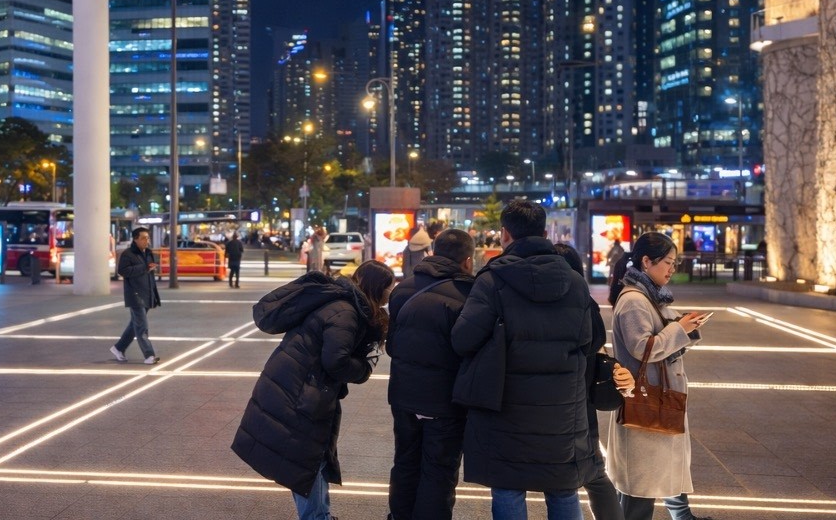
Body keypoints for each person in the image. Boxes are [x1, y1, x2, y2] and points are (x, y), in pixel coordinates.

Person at [451, 199, 597, 520]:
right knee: (562, 487)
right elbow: (586, 341)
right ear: (545, 232)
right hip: (562, 408)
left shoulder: (492, 280)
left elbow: (463, 339)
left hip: (506, 405)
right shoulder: (575, 283)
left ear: (504, 235)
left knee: (508, 486)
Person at [232, 260, 394, 520]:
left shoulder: (342, 302)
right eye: (388, 289)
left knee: (308, 459)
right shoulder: (346, 312)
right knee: (310, 460)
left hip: (296, 384)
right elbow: (335, 360)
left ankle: (319, 514)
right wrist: (363, 370)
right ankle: (317, 517)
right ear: (376, 288)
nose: (389, 295)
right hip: (301, 392)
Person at [604, 231, 713, 520]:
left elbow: (659, 340)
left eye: (674, 262)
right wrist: (680, 329)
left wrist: (684, 327)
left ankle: (683, 515)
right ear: (646, 261)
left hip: (656, 396)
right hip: (644, 398)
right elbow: (643, 348)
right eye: (667, 262)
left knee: (652, 473)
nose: (672, 268)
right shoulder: (635, 301)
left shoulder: (651, 296)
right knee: (639, 481)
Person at [385, 228, 476, 520]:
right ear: (468, 260)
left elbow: (392, 344)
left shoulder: (403, 288)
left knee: (405, 462)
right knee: (439, 470)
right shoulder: (468, 296)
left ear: (433, 252)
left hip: (403, 396)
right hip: (445, 401)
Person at [553, 243, 632, 520]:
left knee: (563, 482)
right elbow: (598, 344)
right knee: (595, 474)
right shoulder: (587, 305)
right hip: (582, 405)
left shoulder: (542, 307)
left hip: (547, 405)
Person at [111, 227, 161, 365]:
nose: (147, 241)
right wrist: (144, 267)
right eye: (144, 238)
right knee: (142, 326)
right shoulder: (128, 254)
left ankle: (118, 348)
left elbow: (148, 272)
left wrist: (154, 294)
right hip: (135, 294)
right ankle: (149, 355)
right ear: (135, 239)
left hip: (147, 293)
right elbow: (123, 271)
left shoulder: (148, 253)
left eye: (148, 238)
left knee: (135, 325)